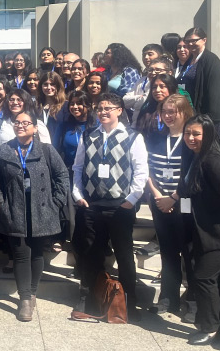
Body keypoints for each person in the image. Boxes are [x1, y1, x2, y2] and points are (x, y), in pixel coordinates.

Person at [71, 92, 149, 320]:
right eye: (100, 108)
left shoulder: (133, 137)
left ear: (119, 111)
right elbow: (77, 167)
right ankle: (88, 299)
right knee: (90, 254)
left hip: (120, 206)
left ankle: (129, 302)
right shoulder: (88, 135)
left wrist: (131, 200)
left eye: (109, 108)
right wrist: (77, 194)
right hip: (92, 204)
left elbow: (141, 170)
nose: (103, 112)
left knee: (124, 255)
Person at [0, 111, 70, 321]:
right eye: (17, 122)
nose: (21, 126)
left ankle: (32, 292)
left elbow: (62, 175)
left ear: (35, 127)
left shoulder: (46, 150)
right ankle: (24, 299)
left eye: (26, 123)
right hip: (14, 208)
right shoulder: (5, 149)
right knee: (20, 254)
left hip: (42, 209)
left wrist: (58, 201)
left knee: (36, 254)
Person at [178, 114, 220, 345]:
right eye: (188, 133)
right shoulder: (197, 157)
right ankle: (217, 325)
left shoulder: (213, 160)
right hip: (205, 232)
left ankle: (210, 327)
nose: (191, 138)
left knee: (203, 277)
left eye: (196, 134)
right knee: (210, 278)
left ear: (208, 134)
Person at [145, 94, 195, 314]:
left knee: (190, 253)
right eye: (164, 111)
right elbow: (147, 169)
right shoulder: (155, 138)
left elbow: (191, 175)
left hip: (184, 203)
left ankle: (193, 303)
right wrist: (157, 196)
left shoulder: (190, 139)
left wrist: (173, 197)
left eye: (173, 111)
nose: (168, 116)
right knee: (168, 252)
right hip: (159, 201)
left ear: (185, 113)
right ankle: (168, 299)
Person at [183, 28, 220, 143]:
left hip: (210, 117)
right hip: (194, 115)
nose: (190, 44)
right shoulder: (189, 60)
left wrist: (205, 118)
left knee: (213, 152)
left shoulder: (211, 60)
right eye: (187, 41)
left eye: (194, 41)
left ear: (204, 40)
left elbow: (214, 91)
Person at [0, 89, 51, 155]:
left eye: (19, 100)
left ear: (26, 102)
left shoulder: (38, 124)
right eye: (11, 100)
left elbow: (47, 151)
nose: (15, 103)